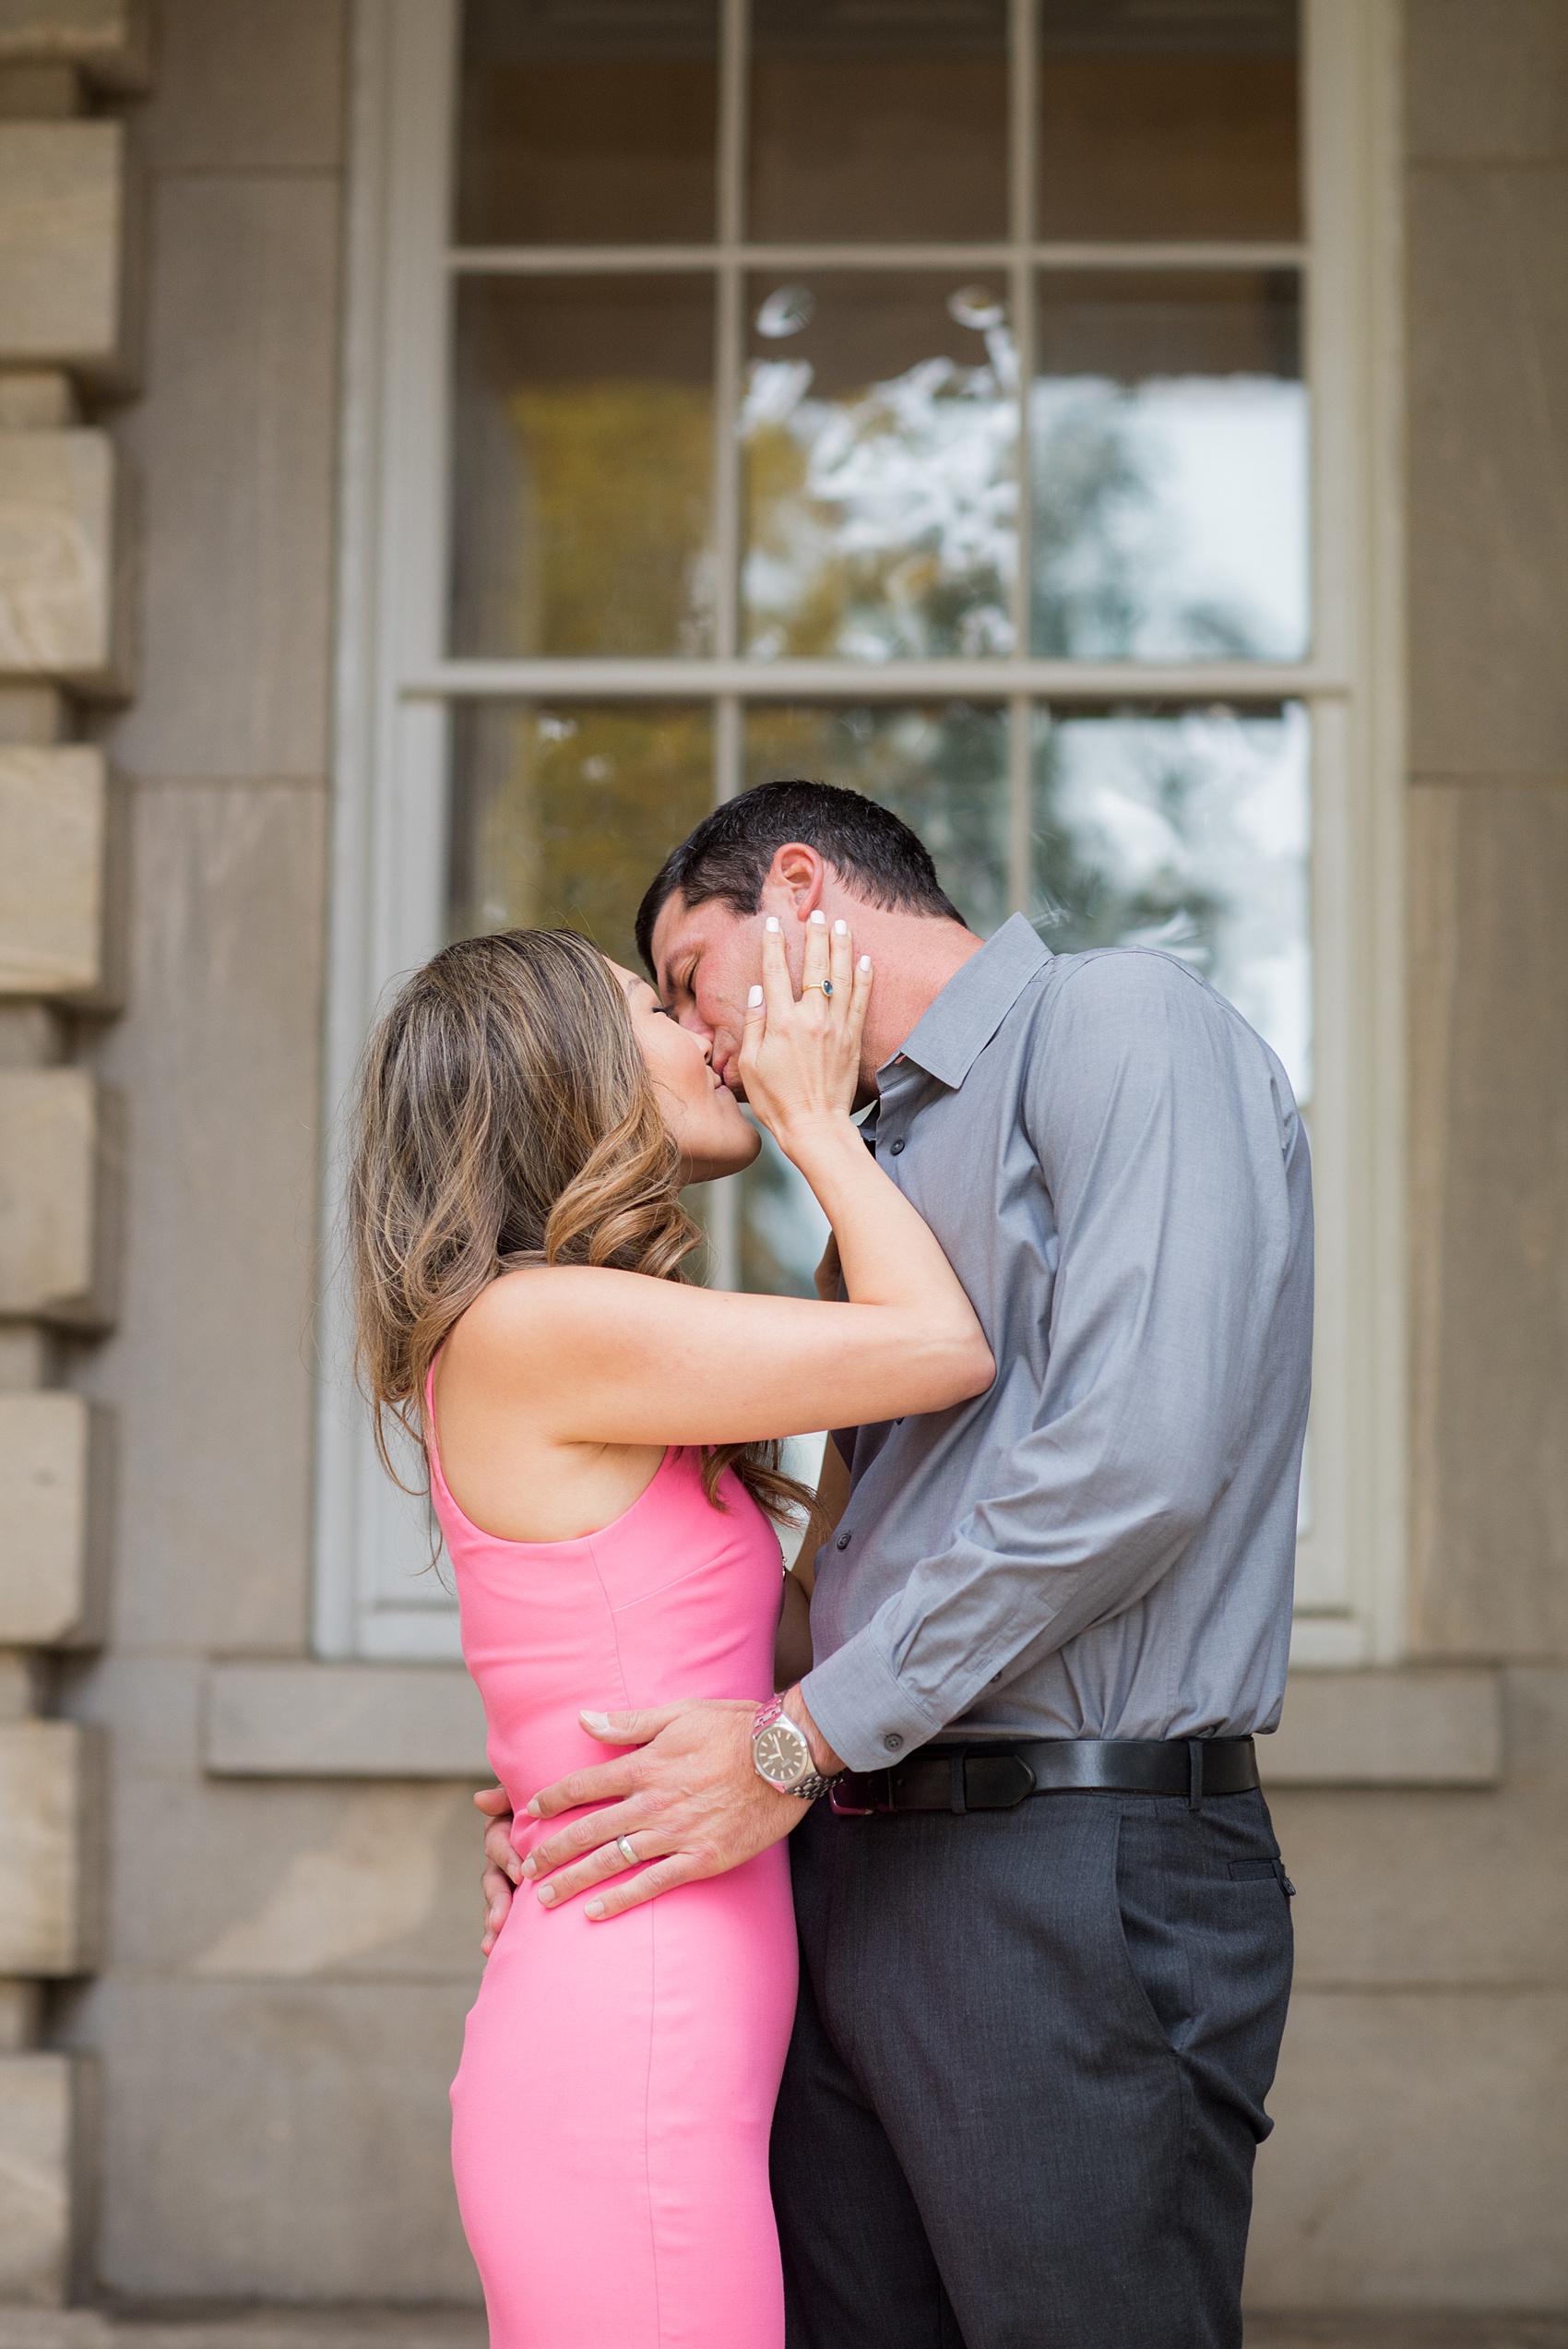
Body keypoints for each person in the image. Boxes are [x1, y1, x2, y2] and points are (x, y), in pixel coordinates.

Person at [478, 781, 1313, 2349]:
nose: (693, 1032)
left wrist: (793, 1741)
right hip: (842, 1863)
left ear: (798, 887)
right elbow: (813, 1581)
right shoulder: (872, 1181)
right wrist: (598, 1779)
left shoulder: (1119, 1022)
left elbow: (1135, 1465)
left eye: (682, 979)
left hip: (1069, 1853)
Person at [347, 914, 993, 2349]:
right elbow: (946, 1345)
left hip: (664, 2033)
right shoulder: (533, 1321)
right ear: (565, 1070)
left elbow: (768, 1642)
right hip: (620, 2053)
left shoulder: (588, 1328)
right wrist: (821, 1119)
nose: (708, 1035)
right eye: (653, 1006)